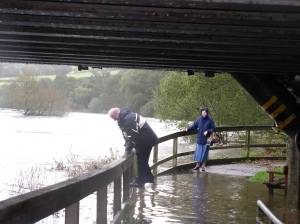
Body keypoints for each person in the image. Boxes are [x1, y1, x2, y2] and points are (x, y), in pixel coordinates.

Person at [108, 107, 158, 187]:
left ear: (117, 114)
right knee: (142, 160)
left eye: (114, 118)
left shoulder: (128, 119)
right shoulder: (125, 117)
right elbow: (127, 135)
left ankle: (140, 182)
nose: (114, 120)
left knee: (141, 160)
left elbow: (132, 135)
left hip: (146, 140)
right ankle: (149, 178)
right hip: (145, 139)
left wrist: (128, 148)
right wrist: (127, 144)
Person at [186, 107, 216, 172]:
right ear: (201, 112)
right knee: (198, 153)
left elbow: (213, 128)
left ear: (207, 113)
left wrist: (208, 131)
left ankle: (203, 166)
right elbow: (194, 126)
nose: (204, 113)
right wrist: (187, 129)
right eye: (203, 112)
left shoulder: (210, 119)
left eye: (205, 112)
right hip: (199, 138)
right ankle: (197, 165)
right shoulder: (199, 119)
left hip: (207, 139)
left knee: (205, 153)